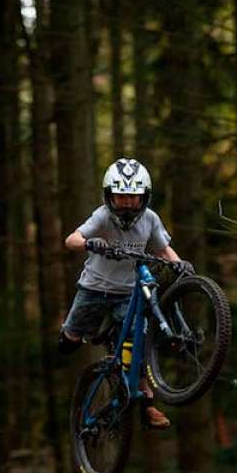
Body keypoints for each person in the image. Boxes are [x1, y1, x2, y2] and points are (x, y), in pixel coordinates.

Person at [58, 158, 192, 430]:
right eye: (121, 197)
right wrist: (89, 243)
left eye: (133, 197)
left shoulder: (151, 219)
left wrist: (180, 265)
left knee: (139, 343)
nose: (128, 203)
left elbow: (163, 248)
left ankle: (147, 404)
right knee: (70, 339)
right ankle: (77, 336)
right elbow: (71, 240)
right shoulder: (102, 216)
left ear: (144, 197)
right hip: (94, 288)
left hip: (129, 294)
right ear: (110, 197)